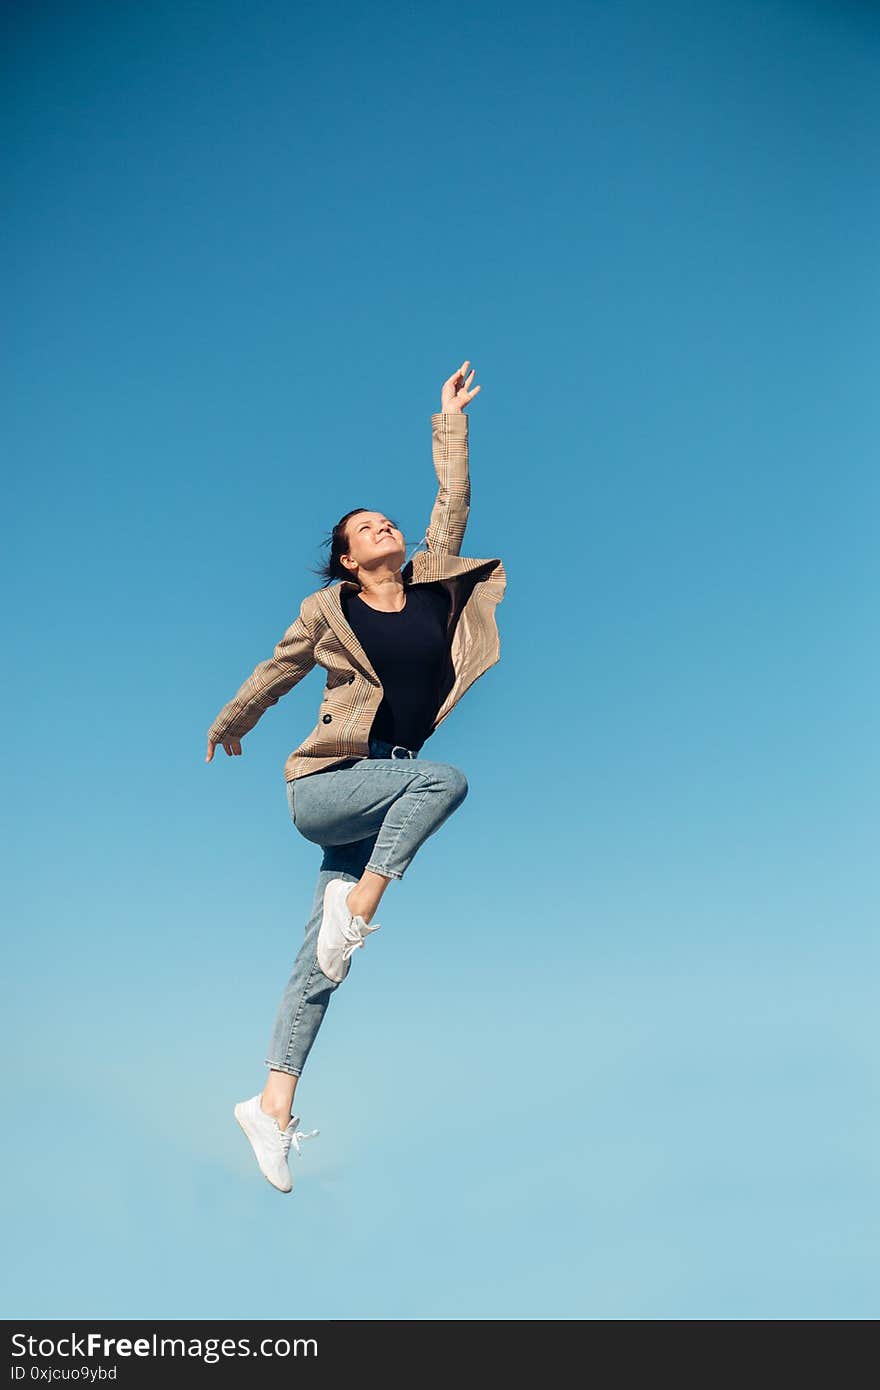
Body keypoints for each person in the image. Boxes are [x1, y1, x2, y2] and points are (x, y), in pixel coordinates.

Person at [205, 361, 507, 1192]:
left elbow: (453, 500)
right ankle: (362, 906)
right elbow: (277, 671)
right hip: (330, 788)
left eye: (387, 521)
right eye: (365, 527)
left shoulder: (436, 586)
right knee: (444, 781)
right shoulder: (326, 612)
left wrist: (449, 420)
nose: (384, 527)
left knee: (321, 970)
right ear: (345, 558)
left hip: (385, 802)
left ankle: (270, 1107)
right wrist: (233, 723)